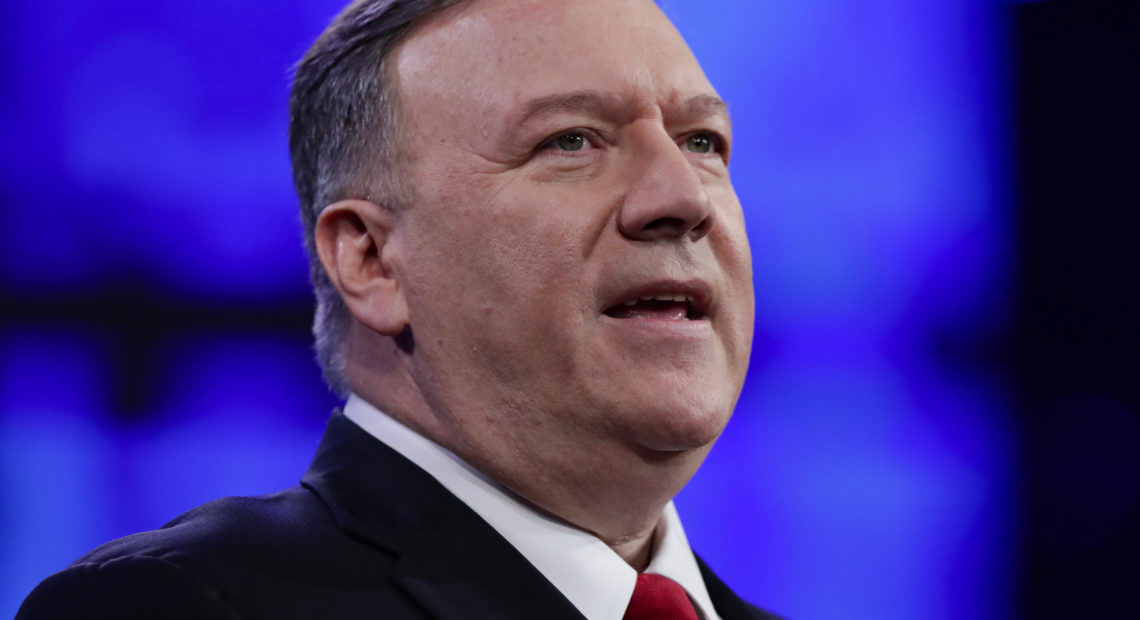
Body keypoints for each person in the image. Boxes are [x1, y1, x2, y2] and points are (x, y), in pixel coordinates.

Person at [18, 0, 775, 617]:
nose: (680, 197)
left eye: (703, 141)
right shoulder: (178, 606)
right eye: (571, 140)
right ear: (372, 261)